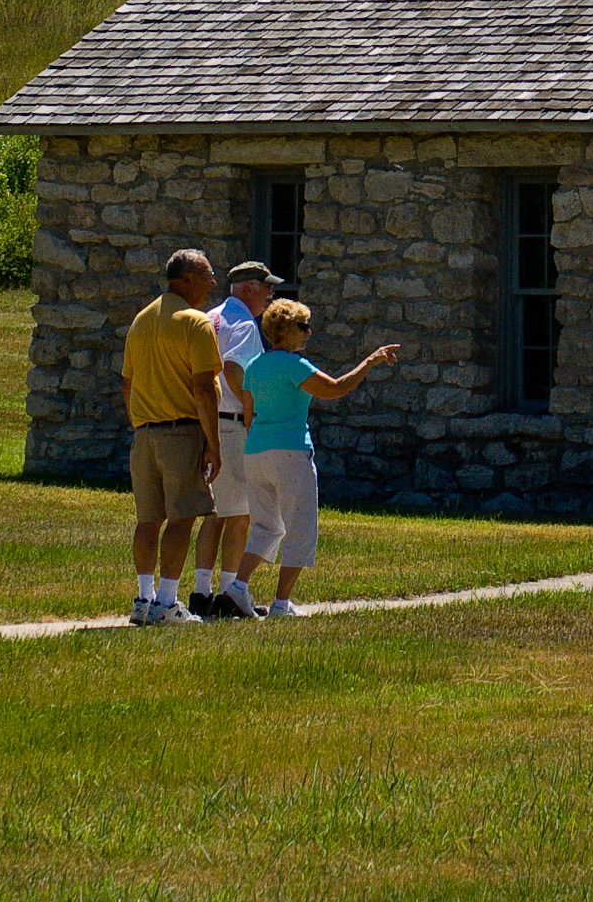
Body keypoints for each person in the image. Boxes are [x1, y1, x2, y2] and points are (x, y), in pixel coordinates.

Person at [233, 300, 398, 618]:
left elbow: (248, 416)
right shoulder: (295, 365)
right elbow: (335, 389)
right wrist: (370, 361)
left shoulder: (254, 366)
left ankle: (238, 587)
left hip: (255, 452)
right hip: (291, 451)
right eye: (303, 326)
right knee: (300, 529)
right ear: (287, 330)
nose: (309, 332)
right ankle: (281, 605)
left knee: (265, 528)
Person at [121, 248, 226, 627]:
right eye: (207, 275)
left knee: (148, 520)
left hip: (145, 434)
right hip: (181, 431)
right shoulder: (195, 322)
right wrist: (214, 443)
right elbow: (203, 388)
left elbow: (127, 383)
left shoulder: (141, 319)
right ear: (185, 279)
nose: (213, 283)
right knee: (183, 517)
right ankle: (167, 602)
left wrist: (140, 421)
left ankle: (143, 598)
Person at [192, 260, 284, 618]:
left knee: (217, 512)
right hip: (232, 424)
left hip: (210, 420)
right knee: (240, 515)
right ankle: (230, 595)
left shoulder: (212, 316)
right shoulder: (245, 323)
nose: (270, 295)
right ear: (249, 289)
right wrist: (251, 412)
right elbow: (233, 369)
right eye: (267, 288)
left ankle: (202, 591)